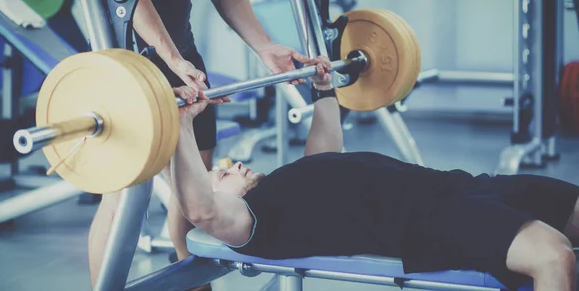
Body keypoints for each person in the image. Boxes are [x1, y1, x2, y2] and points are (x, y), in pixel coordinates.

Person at [171, 55, 579, 291]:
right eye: (223, 175)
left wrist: (324, 87)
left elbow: (326, 149)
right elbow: (200, 210)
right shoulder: (252, 223)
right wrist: (182, 124)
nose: (236, 164)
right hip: (434, 221)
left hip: (463, 185)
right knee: (553, 257)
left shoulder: (286, 186)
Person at [87, 0, 307, 287]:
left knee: (196, 184)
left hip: (181, 53)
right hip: (127, 61)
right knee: (125, 193)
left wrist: (263, 45)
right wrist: (173, 59)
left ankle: (196, 285)